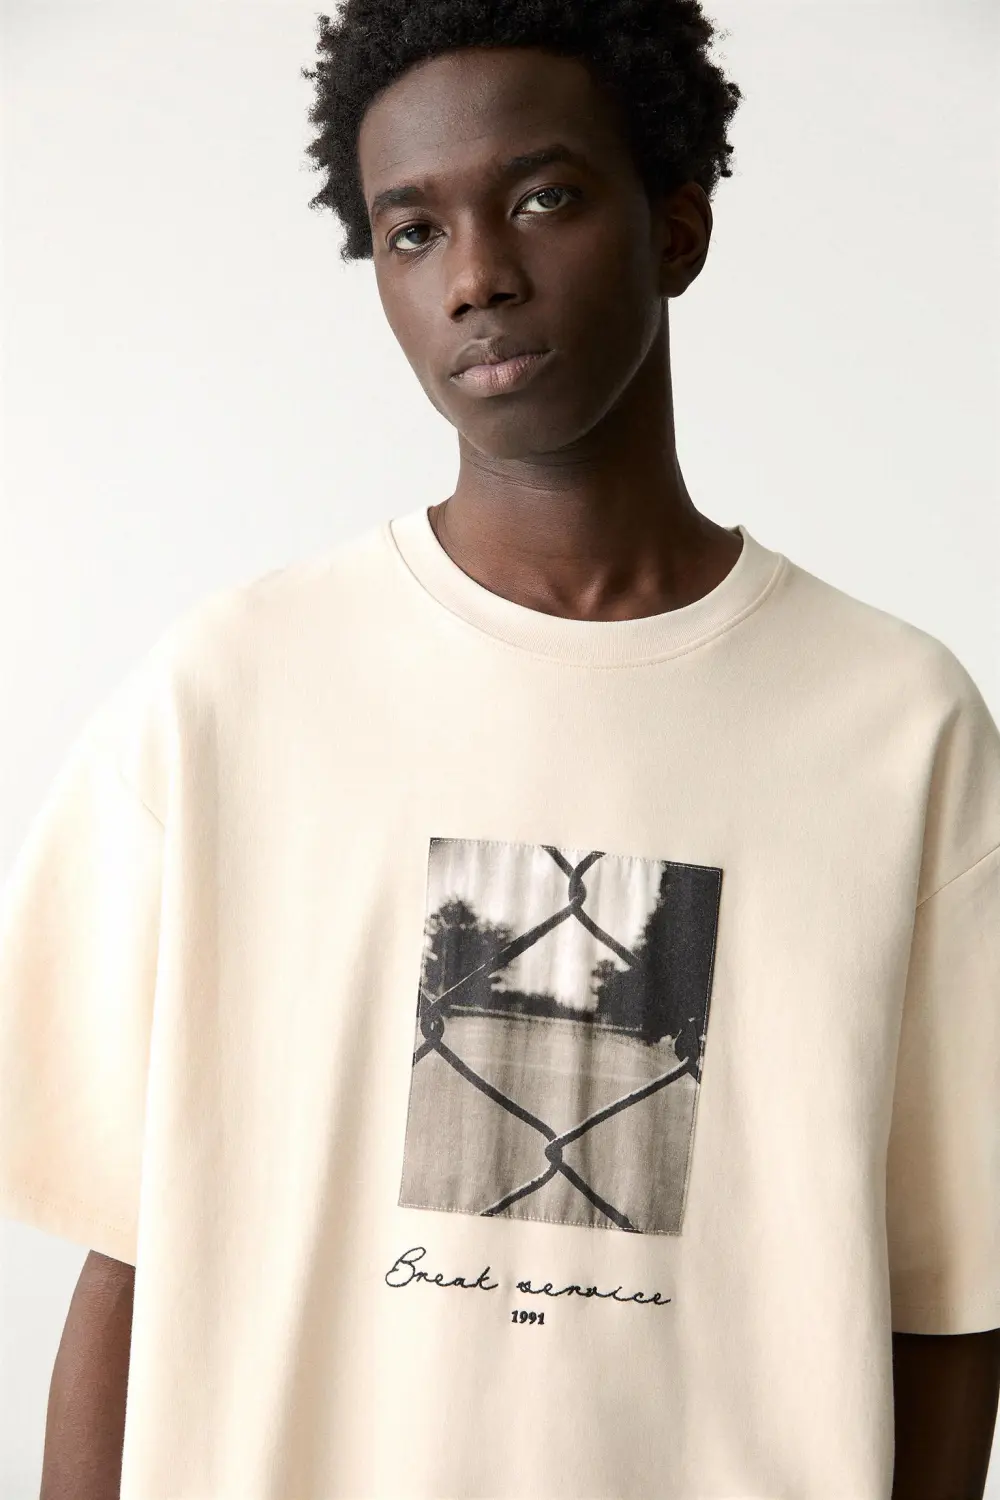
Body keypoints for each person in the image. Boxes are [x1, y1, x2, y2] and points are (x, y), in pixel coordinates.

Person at [2, 3, 999, 1497]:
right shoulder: (227, 698)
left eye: (543, 198)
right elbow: (130, 1262)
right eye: (412, 231)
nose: (476, 275)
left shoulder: (898, 729)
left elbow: (953, 1300)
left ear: (677, 229)